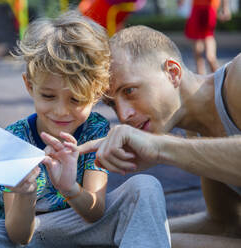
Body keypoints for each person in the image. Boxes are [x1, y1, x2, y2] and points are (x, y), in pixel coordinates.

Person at [0, 12, 171, 247]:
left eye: (75, 99)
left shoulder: (94, 129)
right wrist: (25, 192)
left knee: (145, 187)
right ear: (29, 85)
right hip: (29, 237)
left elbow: (95, 213)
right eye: (48, 95)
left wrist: (70, 189)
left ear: (97, 93)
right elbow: (18, 236)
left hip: (78, 228)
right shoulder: (15, 139)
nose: (61, 111)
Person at [78, 25, 241, 247]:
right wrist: (106, 233)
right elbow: (226, 223)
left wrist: (159, 148)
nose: (124, 115)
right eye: (113, 105)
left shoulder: (237, 79)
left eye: (129, 91)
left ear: (172, 73)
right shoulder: (197, 132)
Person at [178, 0, 231, 74]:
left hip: (209, 8)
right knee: (198, 51)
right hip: (196, 8)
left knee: (210, 57)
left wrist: (225, 8)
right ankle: (202, 78)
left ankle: (220, 78)